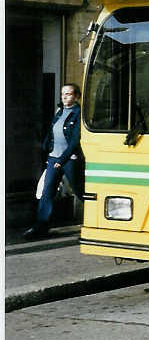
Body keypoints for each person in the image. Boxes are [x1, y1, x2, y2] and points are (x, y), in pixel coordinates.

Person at [24, 83, 85, 240]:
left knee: (80, 191)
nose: (64, 97)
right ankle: (41, 228)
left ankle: (97, 223)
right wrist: (48, 152)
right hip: (54, 158)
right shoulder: (59, 112)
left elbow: (75, 141)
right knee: (47, 192)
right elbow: (51, 133)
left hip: (70, 159)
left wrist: (62, 159)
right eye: (63, 94)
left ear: (76, 96)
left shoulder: (79, 114)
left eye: (69, 94)